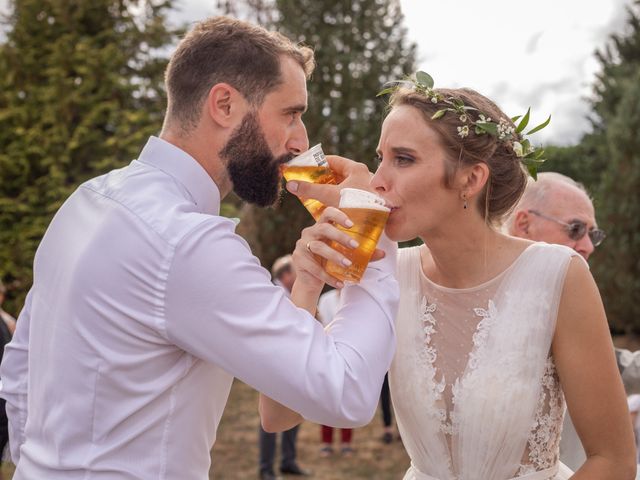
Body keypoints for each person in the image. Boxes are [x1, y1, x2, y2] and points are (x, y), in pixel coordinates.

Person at [0, 17, 400, 479]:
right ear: (225, 104)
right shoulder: (187, 243)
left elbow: (21, 370)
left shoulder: (85, 201)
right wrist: (373, 231)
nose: (300, 140)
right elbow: (345, 393)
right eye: (290, 113)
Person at [266, 74, 637, 478]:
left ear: (471, 180)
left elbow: (613, 460)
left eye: (403, 159)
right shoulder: (389, 275)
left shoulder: (558, 276)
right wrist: (305, 286)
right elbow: (279, 414)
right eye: (380, 158)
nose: (377, 181)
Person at [505, 172, 609, 471]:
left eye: (594, 234)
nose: (588, 245)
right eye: (576, 229)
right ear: (524, 223)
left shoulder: (573, 299)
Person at [258, 255, 309, 479]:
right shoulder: (272, 293)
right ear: (286, 275)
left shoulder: (290, 295)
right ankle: (266, 468)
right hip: (272, 363)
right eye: (297, 271)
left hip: (292, 362)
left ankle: (288, 460)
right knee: (270, 416)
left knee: (293, 410)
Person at [316, 288, 354, 457]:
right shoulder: (325, 299)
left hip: (348, 356)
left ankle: (346, 442)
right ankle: (326, 442)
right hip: (328, 353)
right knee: (327, 400)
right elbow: (321, 325)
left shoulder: (354, 298)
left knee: (347, 399)